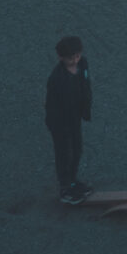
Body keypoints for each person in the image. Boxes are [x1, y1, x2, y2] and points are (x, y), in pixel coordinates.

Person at [44, 35, 93, 205]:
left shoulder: (83, 64)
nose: (75, 60)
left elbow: (86, 85)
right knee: (65, 154)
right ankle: (65, 188)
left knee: (77, 149)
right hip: (61, 123)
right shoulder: (56, 79)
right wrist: (56, 126)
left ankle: (73, 181)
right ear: (61, 58)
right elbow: (51, 106)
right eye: (71, 58)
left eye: (77, 56)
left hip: (74, 117)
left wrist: (85, 109)